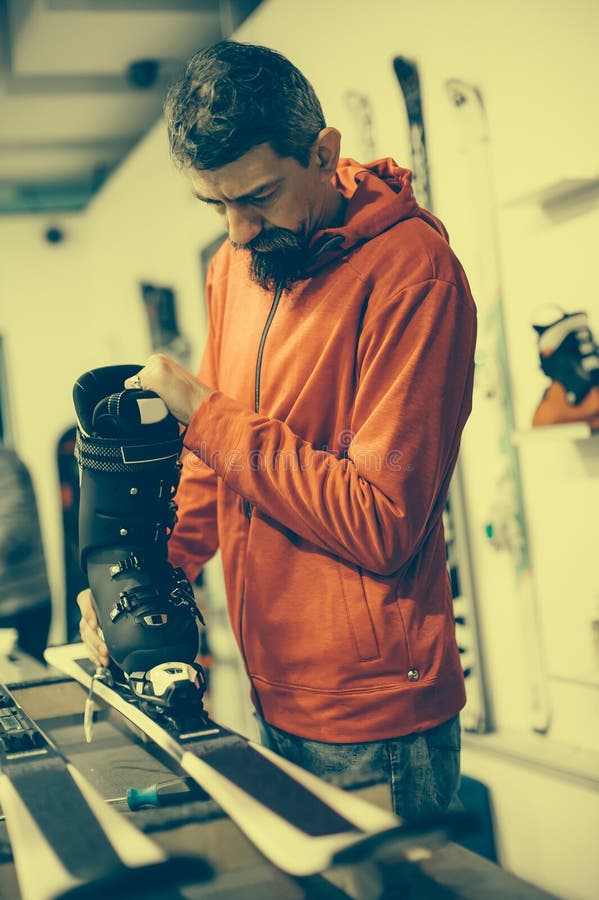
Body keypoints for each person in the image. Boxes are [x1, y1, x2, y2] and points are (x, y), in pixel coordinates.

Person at [78, 40, 477, 822]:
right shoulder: (239, 265)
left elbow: (381, 521)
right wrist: (144, 580)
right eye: (214, 206)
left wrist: (205, 412)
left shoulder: (412, 273)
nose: (237, 230)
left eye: (257, 196)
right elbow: (213, 465)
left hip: (373, 717)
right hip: (269, 684)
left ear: (323, 153)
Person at [0, 446, 52, 662]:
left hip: (20, 604)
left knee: (25, 678)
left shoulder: (4, 463)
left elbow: (15, 526)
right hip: (11, 603)